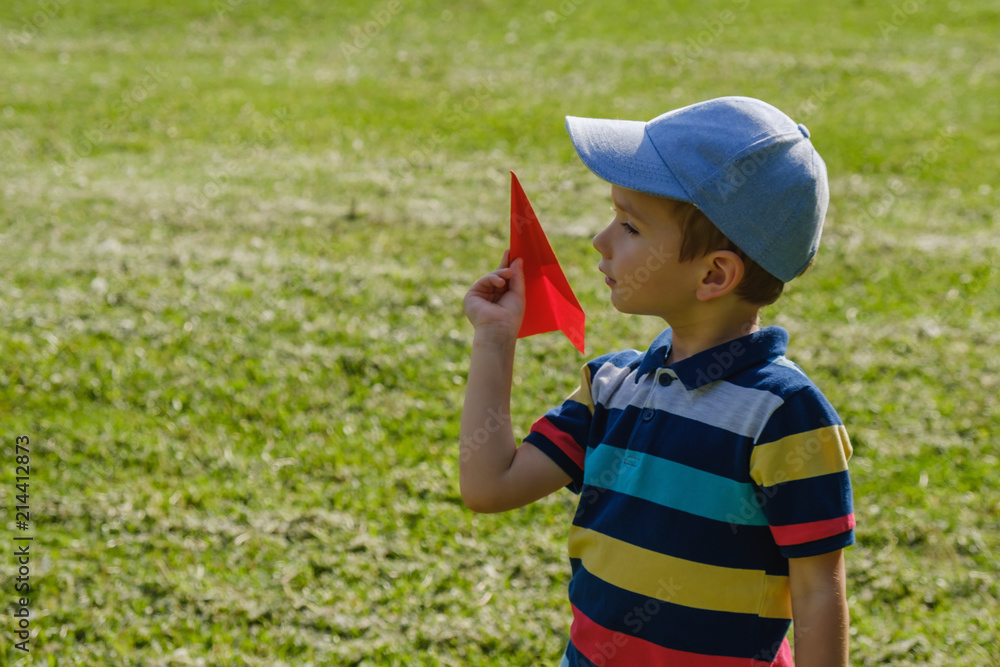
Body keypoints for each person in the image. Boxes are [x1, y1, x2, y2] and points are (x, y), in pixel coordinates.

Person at [460, 96, 855, 666]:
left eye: (629, 225)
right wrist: (495, 338)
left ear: (714, 274)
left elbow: (818, 589)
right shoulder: (611, 387)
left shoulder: (784, 416)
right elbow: (490, 484)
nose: (600, 241)